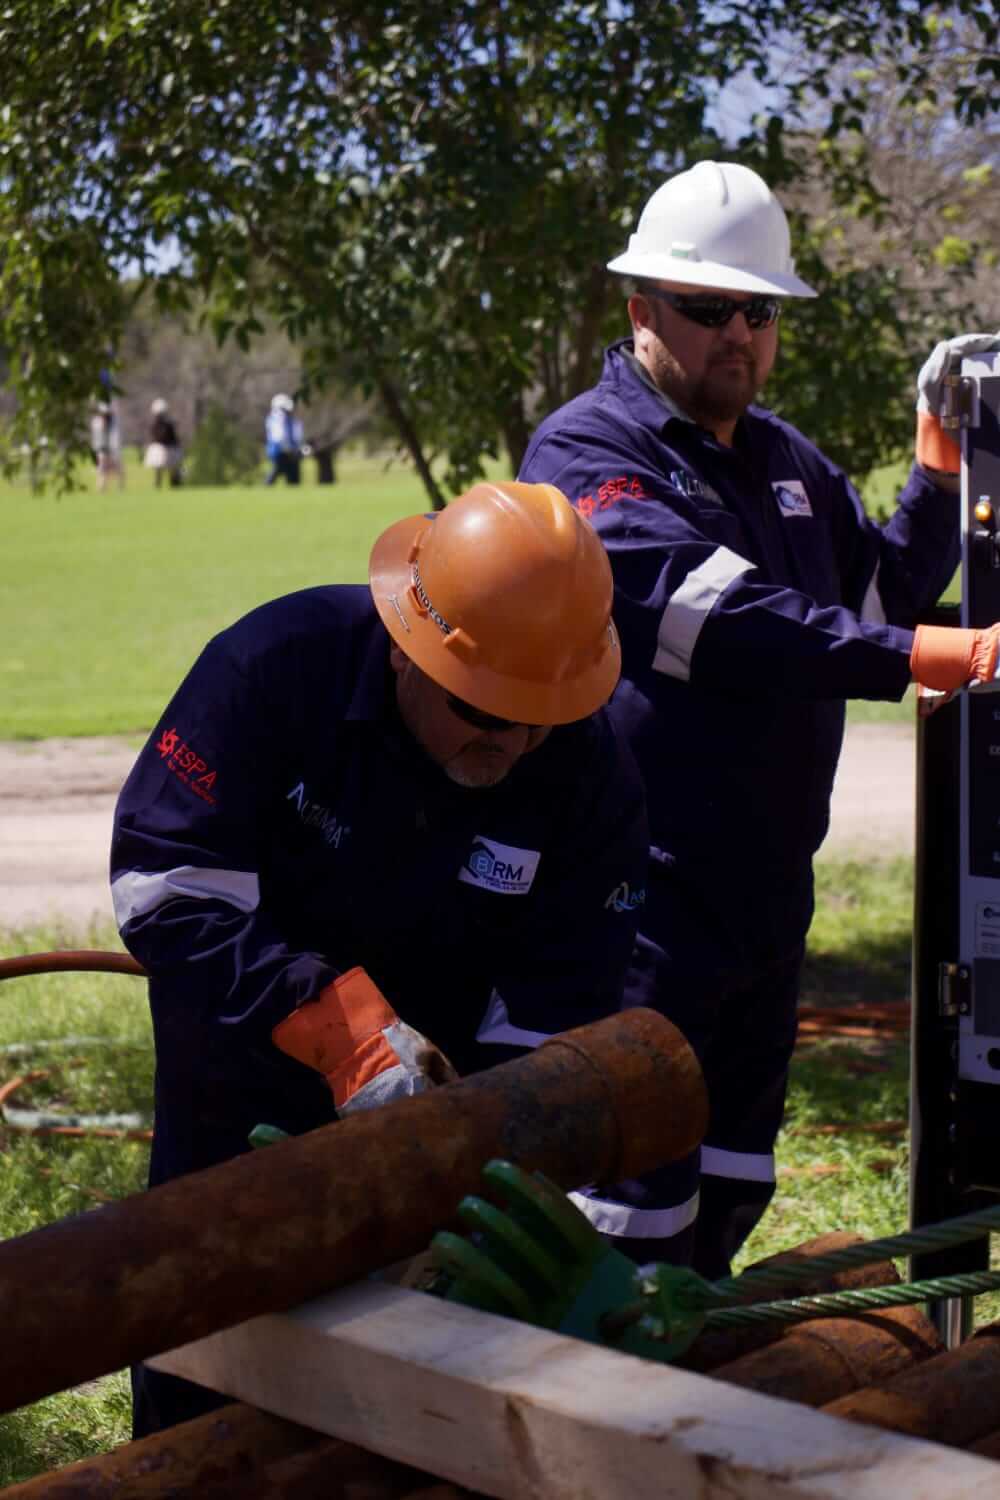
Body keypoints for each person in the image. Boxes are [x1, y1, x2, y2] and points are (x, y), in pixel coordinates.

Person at [519, 158, 1000, 1280]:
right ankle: (589, 1421)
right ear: (642, 311)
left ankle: (696, 1382)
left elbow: (870, 598)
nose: (736, 332)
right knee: (628, 1207)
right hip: (643, 898)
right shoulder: (588, 455)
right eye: (706, 309)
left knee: (734, 1177)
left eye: (759, 310)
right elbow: (716, 620)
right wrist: (943, 655)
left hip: (768, 891)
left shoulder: (783, 459)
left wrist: (936, 456)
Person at [110, 480, 649, 1434]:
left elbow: (564, 986)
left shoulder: (587, 760)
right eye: (483, 711)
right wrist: (347, 1036)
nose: (513, 743)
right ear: (411, 644)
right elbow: (168, 885)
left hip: (441, 1136)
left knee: (400, 1430)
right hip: (240, 1094)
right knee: (202, 1393)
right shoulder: (273, 669)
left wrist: (480, 1134)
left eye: (540, 716)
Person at [264, 392, 304, 485]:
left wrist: (298, 448)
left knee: (293, 475)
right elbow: (278, 436)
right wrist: (288, 448)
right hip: (278, 452)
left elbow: (297, 435)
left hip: (290, 451)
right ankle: (266, 487)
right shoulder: (274, 420)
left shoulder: (292, 421)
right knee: (277, 470)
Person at [144, 398, 183, 488]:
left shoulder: (168, 424)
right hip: (161, 448)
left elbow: (172, 437)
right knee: (159, 469)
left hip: (170, 448)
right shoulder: (155, 424)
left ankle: (174, 485)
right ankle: (159, 485)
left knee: (172, 470)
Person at [89, 400, 124, 491]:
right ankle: (101, 489)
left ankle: (120, 488)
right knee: (102, 471)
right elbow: (96, 440)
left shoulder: (113, 423)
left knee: (118, 470)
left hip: (112, 449)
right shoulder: (97, 423)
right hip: (102, 450)